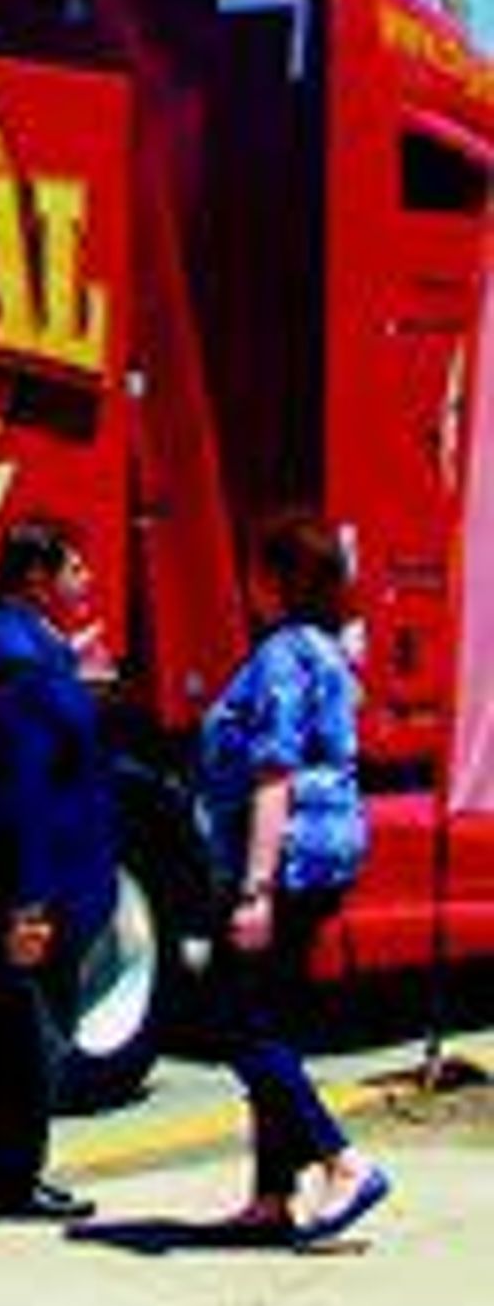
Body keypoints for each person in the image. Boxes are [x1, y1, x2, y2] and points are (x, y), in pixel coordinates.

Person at [195, 513, 392, 1243]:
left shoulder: (282, 655)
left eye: (255, 570)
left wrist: (255, 889)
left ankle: (341, 1162)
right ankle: (272, 1195)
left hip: (288, 858)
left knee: (239, 1022)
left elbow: (273, 774)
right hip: (328, 850)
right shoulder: (327, 651)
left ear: (276, 579)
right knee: (273, 1020)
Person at [0, 514, 116, 1221]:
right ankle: (4, 1178)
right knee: (30, 1036)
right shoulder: (15, 662)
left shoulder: (18, 645)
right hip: (34, 878)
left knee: (15, 1030)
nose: (85, 581)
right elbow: (25, 788)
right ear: (37, 579)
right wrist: (32, 901)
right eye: (75, 570)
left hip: (31, 871)